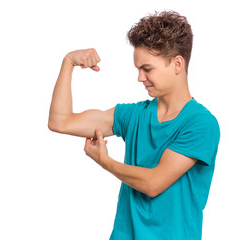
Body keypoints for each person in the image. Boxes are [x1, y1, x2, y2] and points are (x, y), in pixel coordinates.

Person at [48, 11, 220, 240]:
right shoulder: (133, 115)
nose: (140, 78)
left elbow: (153, 183)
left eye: (147, 69)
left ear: (177, 63)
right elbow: (60, 122)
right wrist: (68, 62)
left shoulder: (201, 124)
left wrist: (105, 162)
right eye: (138, 69)